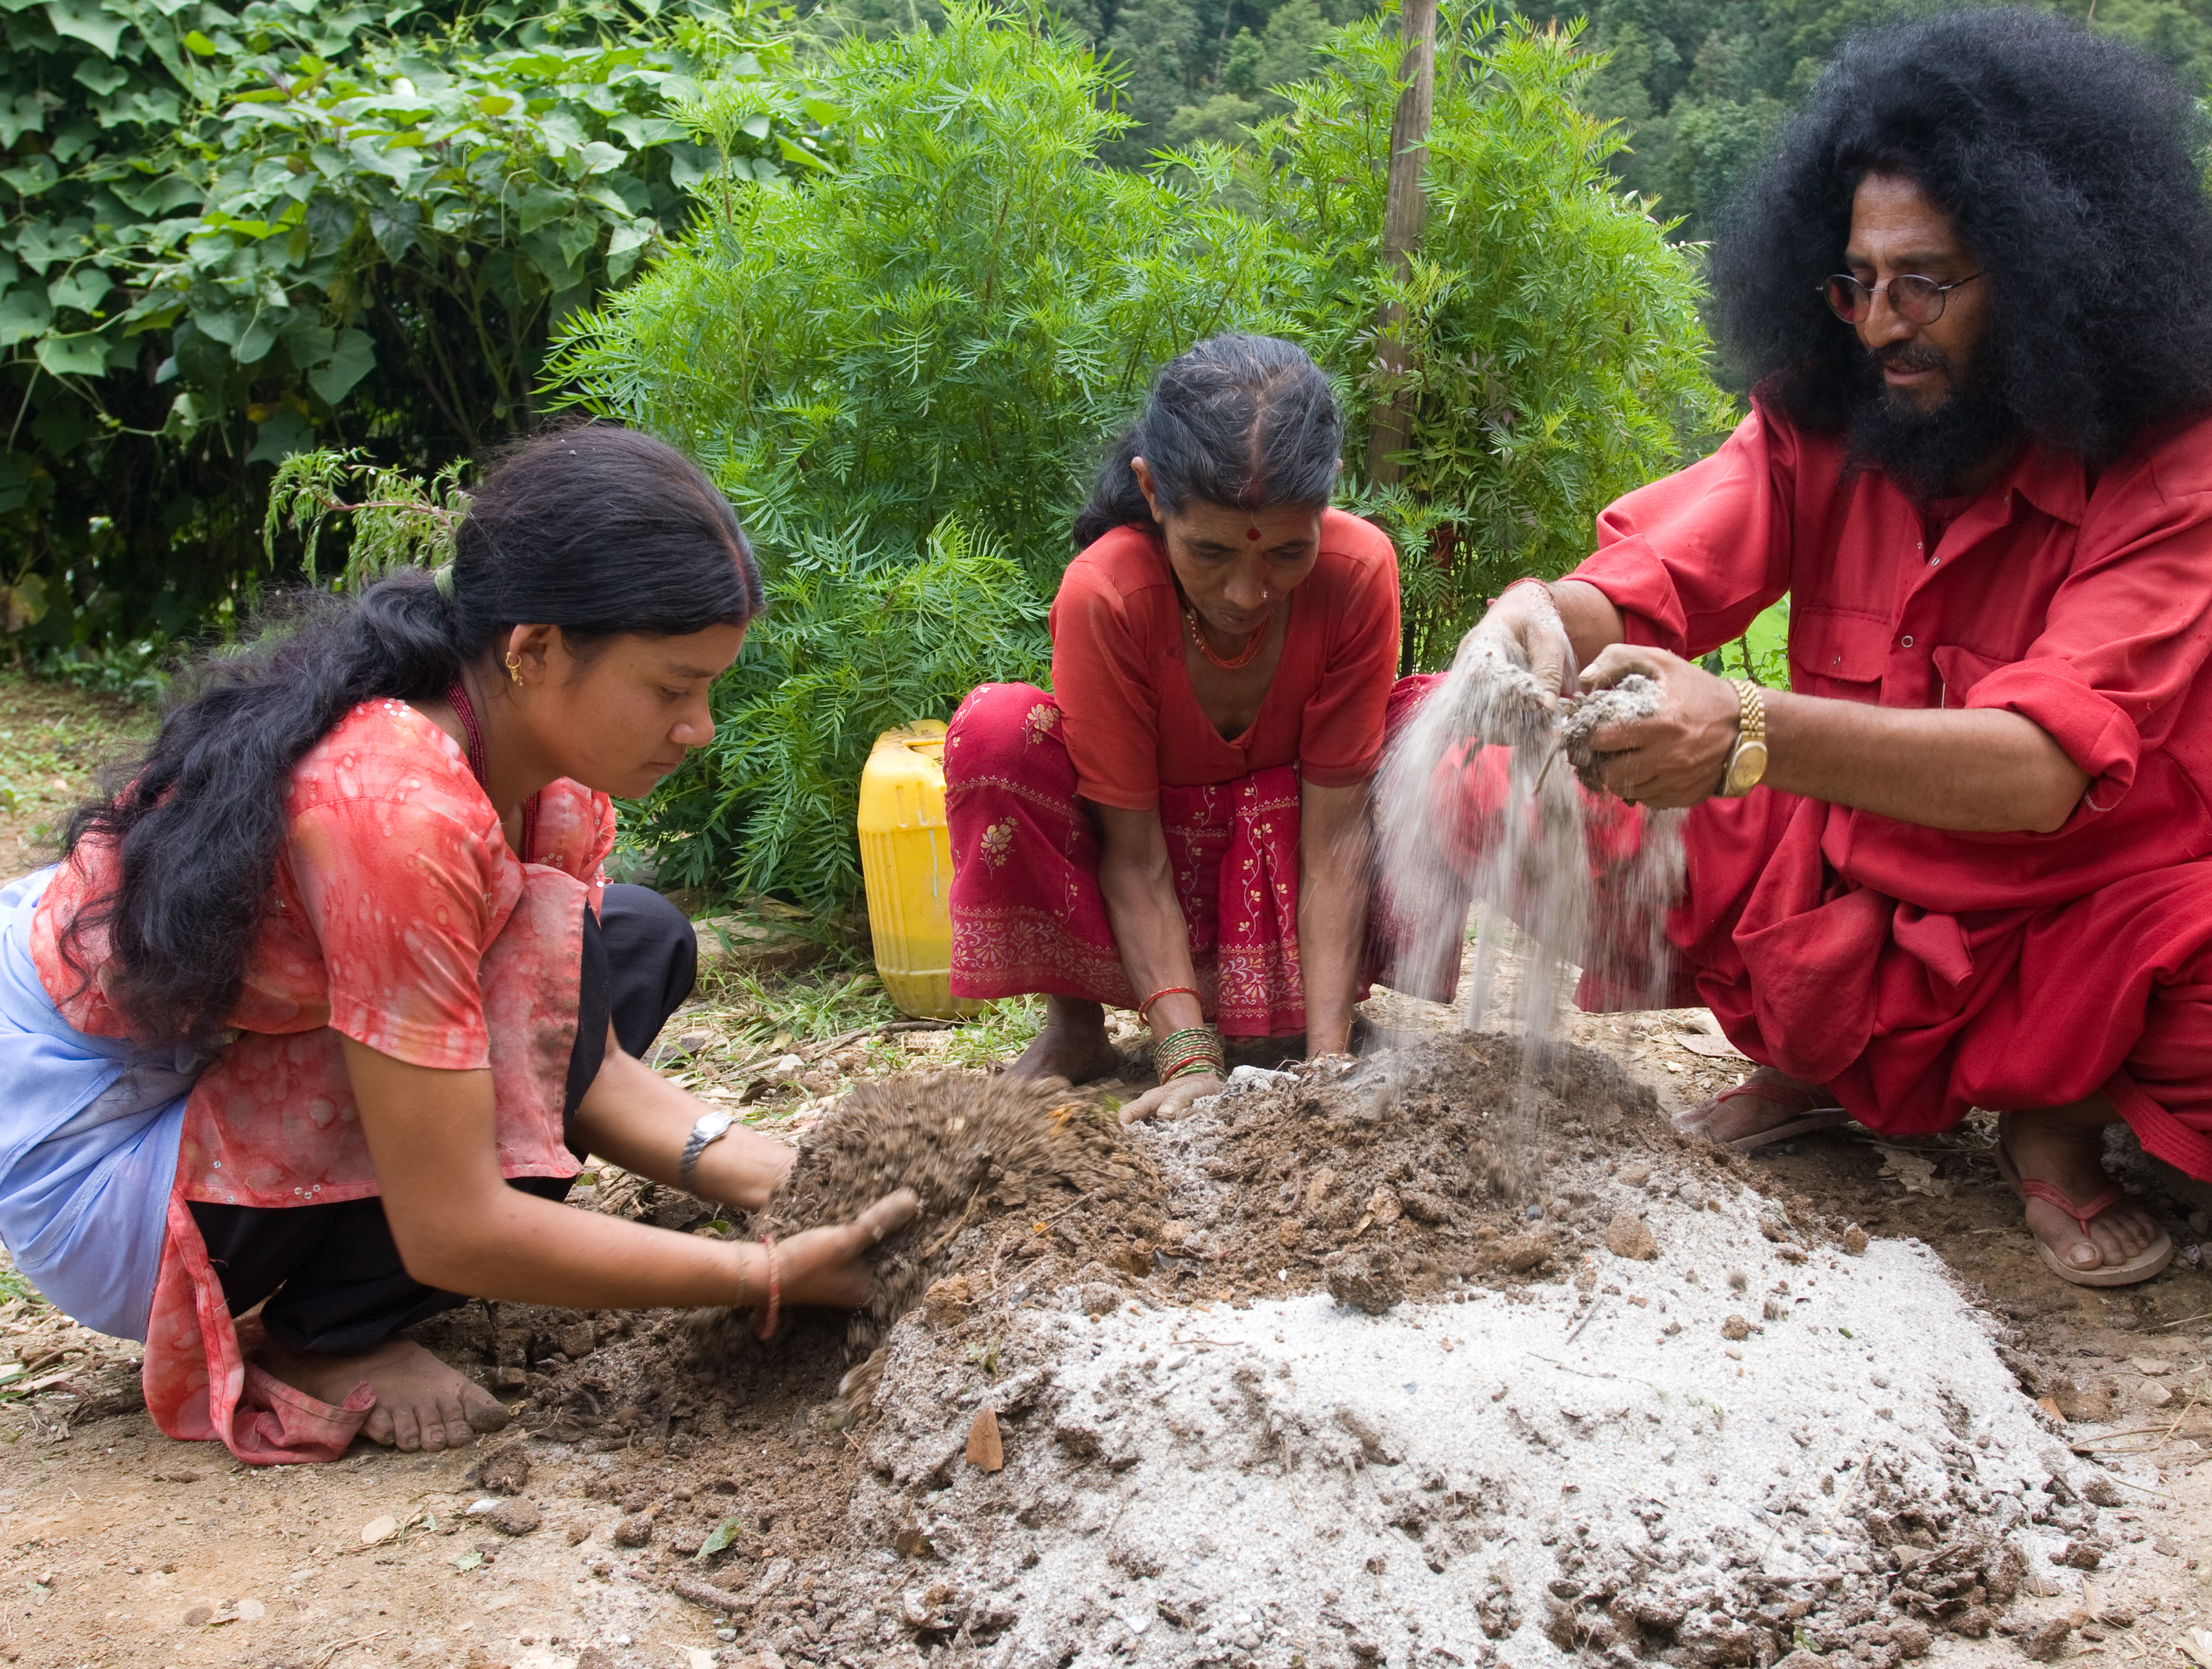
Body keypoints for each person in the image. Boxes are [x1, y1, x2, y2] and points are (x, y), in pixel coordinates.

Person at [1457, 11, 2212, 1287]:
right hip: (1823, 886)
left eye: (1923, 282)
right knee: (1465, 756)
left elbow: (2037, 767)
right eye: (1853, 280)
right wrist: (1542, 615)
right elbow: (1665, 565)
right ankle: (1808, 1065)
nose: (1877, 324)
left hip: (2066, 923)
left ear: (2046, 271)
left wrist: (1749, 734)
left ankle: (2058, 1119)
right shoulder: (1831, 414)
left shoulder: (2181, 465)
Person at [0, 424, 915, 1463]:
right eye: (671, 688)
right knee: (528, 1007)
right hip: (99, 1147)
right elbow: (455, 1224)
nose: (698, 726)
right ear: (532, 651)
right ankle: (320, 1341)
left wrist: (780, 1178)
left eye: (708, 687)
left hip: (216, 1062)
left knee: (635, 943)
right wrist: (770, 1274)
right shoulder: (398, 811)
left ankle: (336, 1296)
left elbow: (584, 1062)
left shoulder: (540, 774)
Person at [944, 333, 1402, 1123]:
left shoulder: (1358, 574)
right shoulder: (1108, 594)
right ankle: (1079, 1030)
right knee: (999, 732)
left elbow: (1335, 839)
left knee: (1437, 726)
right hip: (1156, 874)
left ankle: (1321, 1021)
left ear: (1329, 493)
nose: (1247, 592)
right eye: (1211, 552)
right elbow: (1133, 855)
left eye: (1288, 553)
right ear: (1153, 494)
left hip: (1293, 859)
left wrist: (1328, 1063)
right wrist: (1189, 1064)